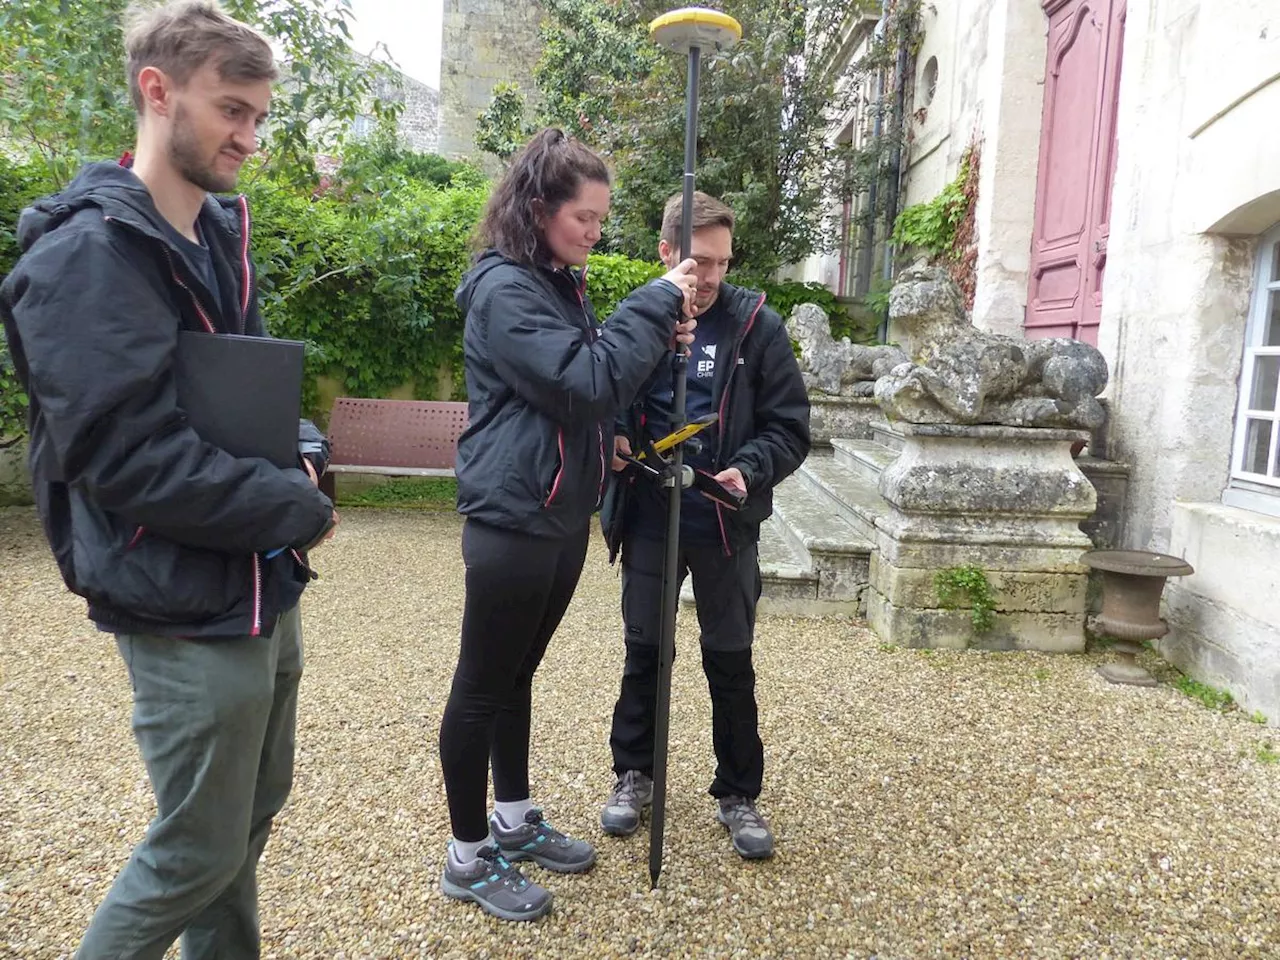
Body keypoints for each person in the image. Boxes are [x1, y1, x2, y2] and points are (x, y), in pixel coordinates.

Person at [0, 2, 338, 956]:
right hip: (176, 595)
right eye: (233, 110)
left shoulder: (219, 236)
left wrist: (306, 450)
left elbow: (251, 390)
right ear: (158, 91)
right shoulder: (85, 255)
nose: (251, 137)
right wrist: (294, 505)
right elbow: (122, 456)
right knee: (194, 850)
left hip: (262, 582)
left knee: (247, 823)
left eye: (260, 116)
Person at [440, 128, 699, 922]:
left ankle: (513, 823)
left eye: (600, 218)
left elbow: (582, 396)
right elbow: (582, 380)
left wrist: (645, 366)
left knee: (518, 676)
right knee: (481, 686)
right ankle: (467, 857)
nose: (595, 232)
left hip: (556, 508)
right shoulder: (504, 289)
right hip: (512, 515)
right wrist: (654, 304)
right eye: (584, 217)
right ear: (537, 207)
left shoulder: (558, 282)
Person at [599, 191, 811, 860]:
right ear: (666, 253)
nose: (714, 275)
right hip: (650, 514)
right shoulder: (637, 317)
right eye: (700, 260)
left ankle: (738, 792)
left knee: (730, 659)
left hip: (723, 521)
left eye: (723, 260)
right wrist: (614, 439)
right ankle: (635, 774)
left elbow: (790, 428)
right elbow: (598, 395)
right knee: (644, 652)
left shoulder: (756, 327)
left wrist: (750, 468)